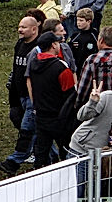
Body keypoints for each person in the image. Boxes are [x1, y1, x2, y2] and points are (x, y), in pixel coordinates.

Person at [27, 32, 76, 170]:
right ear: (54, 45)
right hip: (60, 118)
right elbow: (70, 93)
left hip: (41, 116)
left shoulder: (33, 64)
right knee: (66, 151)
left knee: (41, 153)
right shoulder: (60, 67)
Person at [1, 17, 41, 175]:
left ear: (34, 29)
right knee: (37, 130)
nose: (20, 30)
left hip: (32, 97)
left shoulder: (38, 48)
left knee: (27, 129)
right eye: (19, 26)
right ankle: (52, 157)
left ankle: (13, 162)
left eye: (24, 27)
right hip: (19, 96)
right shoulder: (19, 44)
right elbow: (16, 69)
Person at [73, 25, 112, 109]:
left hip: (97, 107)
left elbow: (82, 89)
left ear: (101, 40)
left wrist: (77, 105)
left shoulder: (92, 60)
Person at [67, 7, 98, 73]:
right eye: (77, 20)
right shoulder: (75, 36)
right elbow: (68, 50)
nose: (78, 23)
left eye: (81, 21)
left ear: (89, 21)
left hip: (91, 69)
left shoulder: (95, 35)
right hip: (77, 69)